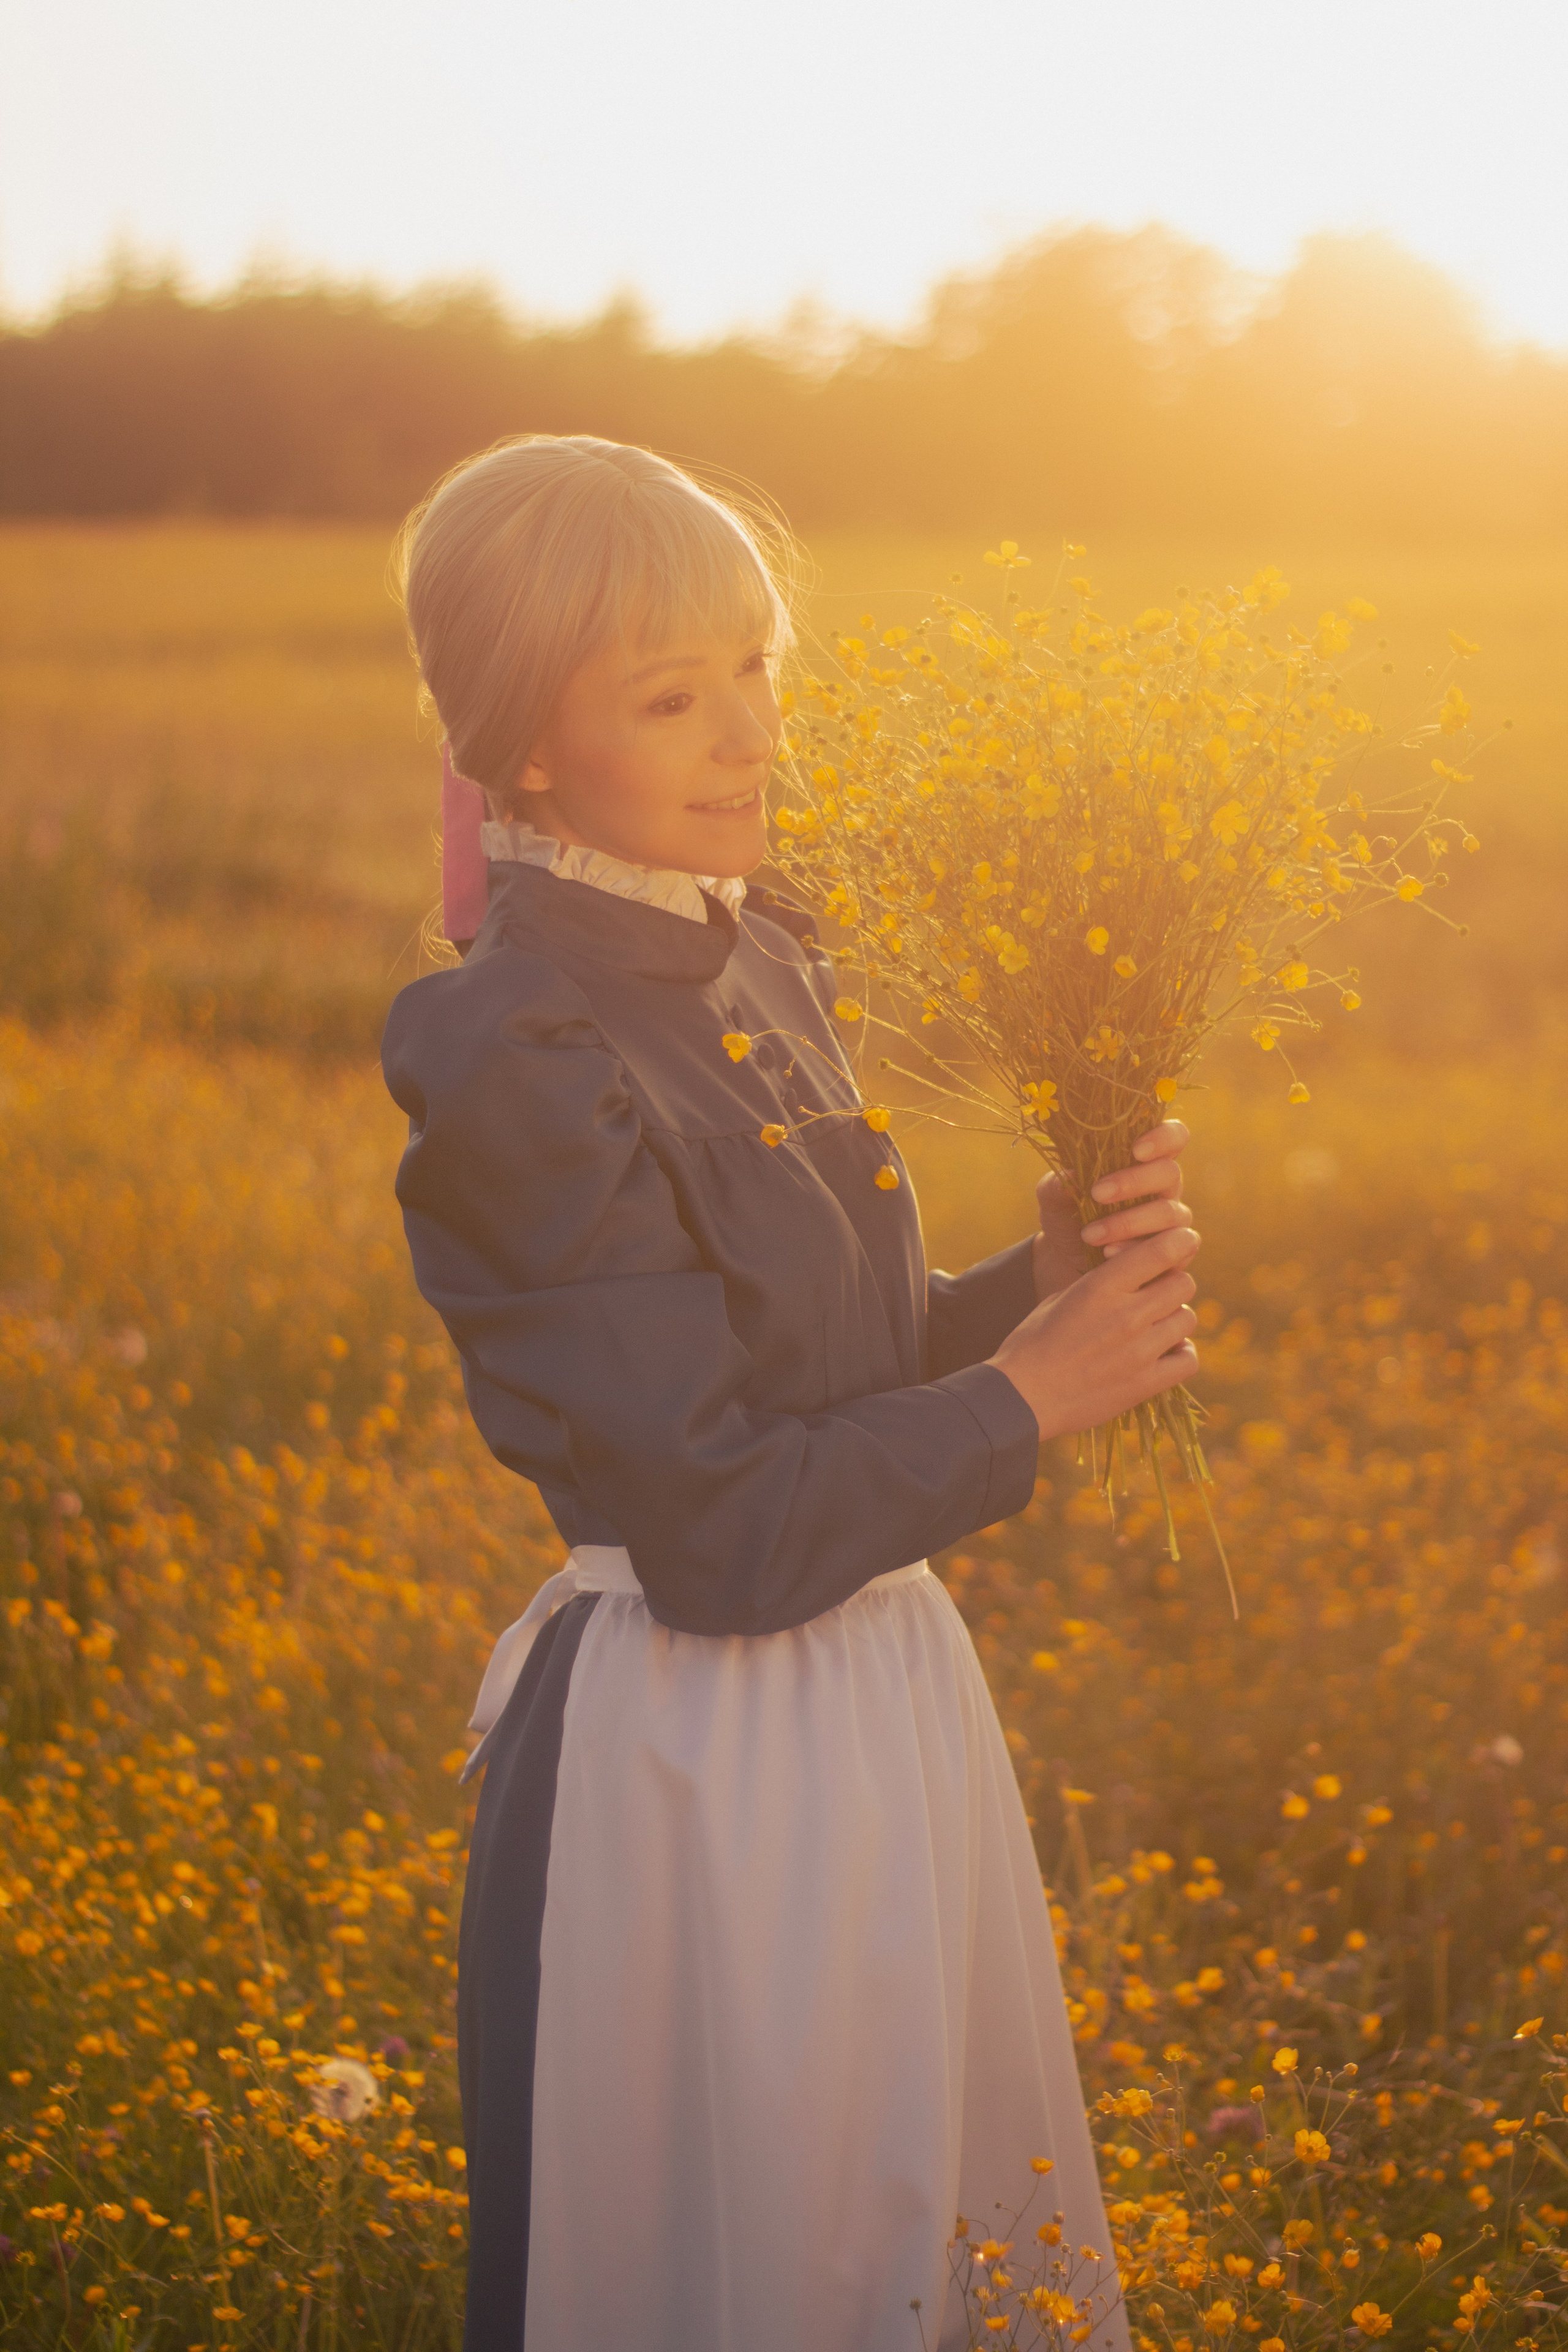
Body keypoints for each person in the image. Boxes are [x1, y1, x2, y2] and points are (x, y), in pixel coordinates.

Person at [380, 434, 1200, 2352]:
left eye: (757, 667)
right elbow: (726, 1526)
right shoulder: (521, 1044)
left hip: (881, 1691)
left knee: (913, 2244)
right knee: (757, 2269)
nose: (746, 732)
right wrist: (1026, 1402)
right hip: (693, 1758)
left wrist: (1051, 1279)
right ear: (522, 754)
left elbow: (841, 1360)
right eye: (670, 696)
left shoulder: (768, 950)